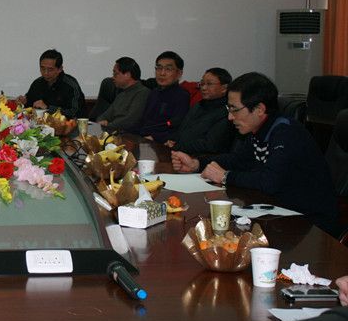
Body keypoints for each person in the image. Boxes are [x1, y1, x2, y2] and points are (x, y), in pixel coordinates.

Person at [171, 72, 341, 237]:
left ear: (259, 109)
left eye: (235, 109)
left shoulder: (286, 133)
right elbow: (238, 160)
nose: (230, 117)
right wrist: (196, 163)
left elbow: (270, 182)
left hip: (310, 224)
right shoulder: (258, 130)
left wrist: (225, 176)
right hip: (278, 211)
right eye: (229, 108)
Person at [165, 67, 234, 154]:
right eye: (202, 83)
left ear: (224, 88)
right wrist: (173, 140)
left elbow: (209, 145)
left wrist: (178, 147)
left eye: (209, 84)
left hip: (200, 158)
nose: (203, 88)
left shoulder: (226, 113)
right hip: (180, 152)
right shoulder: (199, 105)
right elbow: (183, 129)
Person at [134, 50, 190, 143]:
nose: (162, 73)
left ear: (179, 73)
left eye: (168, 69)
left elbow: (177, 129)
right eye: (159, 68)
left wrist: (154, 137)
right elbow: (143, 121)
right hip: (142, 138)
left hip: (159, 143)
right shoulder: (154, 92)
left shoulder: (182, 96)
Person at [16, 49, 86, 118]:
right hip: (41, 124)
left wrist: (48, 108)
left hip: (66, 124)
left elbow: (75, 112)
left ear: (60, 69)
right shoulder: (37, 83)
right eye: (42, 68)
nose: (45, 73)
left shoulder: (70, 85)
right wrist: (24, 102)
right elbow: (29, 105)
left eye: (50, 69)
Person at [96, 57, 150, 130]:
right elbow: (104, 116)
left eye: (115, 74)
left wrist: (108, 125)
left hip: (129, 134)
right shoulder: (121, 94)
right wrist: (100, 121)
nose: (113, 77)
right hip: (112, 131)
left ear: (127, 74)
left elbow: (130, 120)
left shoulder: (143, 93)